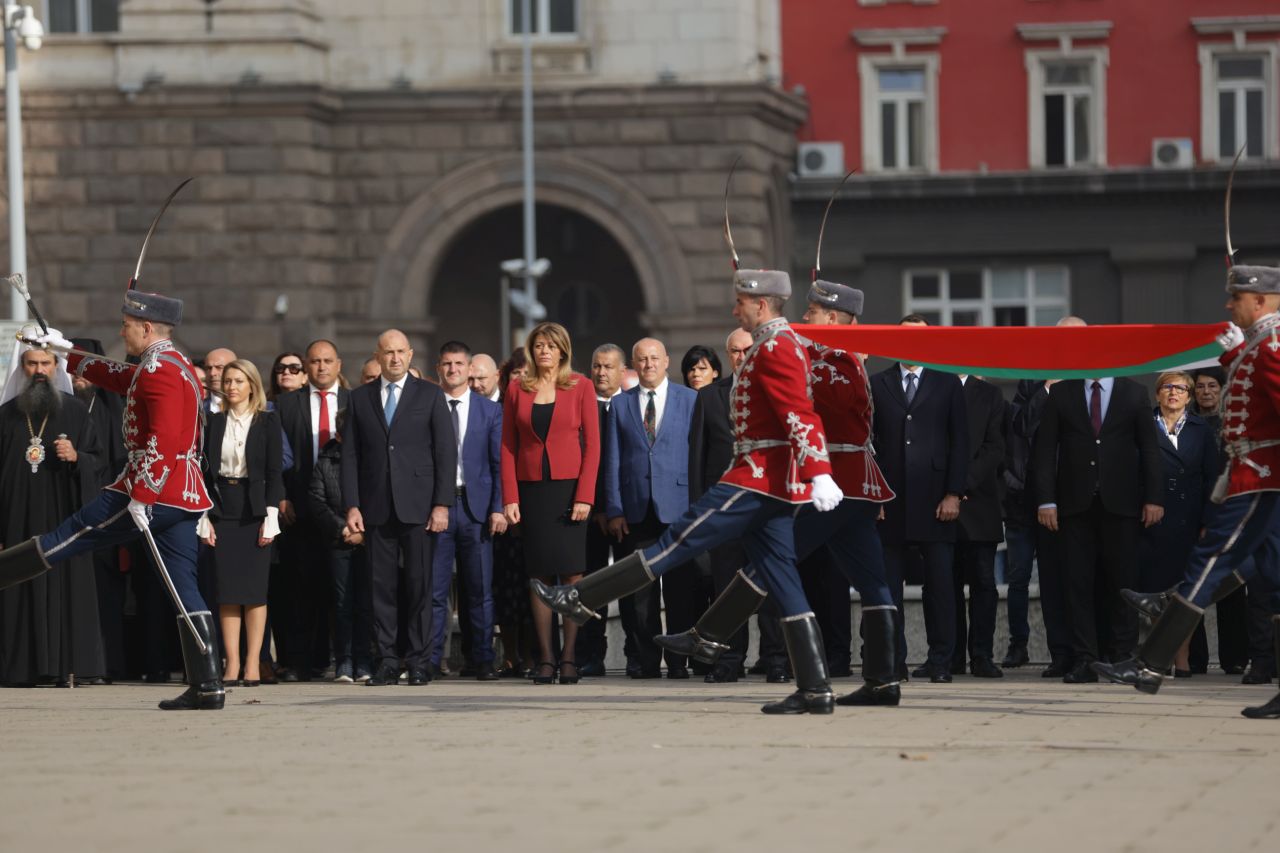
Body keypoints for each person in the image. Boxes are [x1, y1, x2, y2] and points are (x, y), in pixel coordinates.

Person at [533, 267, 846, 715]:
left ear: (760, 305)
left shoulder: (776, 346)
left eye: (740, 302)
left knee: (678, 540)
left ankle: (579, 598)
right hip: (772, 481)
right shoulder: (775, 343)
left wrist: (819, 470)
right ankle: (815, 688)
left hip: (757, 477)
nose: (734, 308)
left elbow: (799, 411)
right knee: (783, 580)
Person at [659, 279, 901, 706]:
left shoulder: (828, 361)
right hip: (855, 484)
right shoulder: (843, 359)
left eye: (810, 313)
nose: (803, 318)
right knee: (871, 581)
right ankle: (882, 680)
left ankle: (711, 637)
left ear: (830, 318)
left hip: (834, 482)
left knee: (773, 564)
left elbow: (801, 409)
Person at [0, 290, 222, 710]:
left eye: (125, 325)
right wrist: (68, 354)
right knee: (182, 585)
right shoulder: (167, 364)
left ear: (146, 327)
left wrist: (142, 495)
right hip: (182, 494)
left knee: (73, 534)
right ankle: (208, 684)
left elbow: (165, 439)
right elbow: (119, 376)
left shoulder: (159, 370)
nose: (121, 331)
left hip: (151, 490)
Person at [1095, 263, 1280, 718]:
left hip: (1262, 474)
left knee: (1213, 558)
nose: (1228, 305)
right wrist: (1236, 356)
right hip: (1259, 473)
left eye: (1236, 298)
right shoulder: (1260, 344)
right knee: (1273, 582)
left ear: (1259, 301)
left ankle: (1150, 664)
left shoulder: (1272, 344)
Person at [1032, 352, 1163, 683]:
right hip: (1074, 506)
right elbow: (1045, 450)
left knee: (1122, 583)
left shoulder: (1133, 392)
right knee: (1077, 584)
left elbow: (1149, 448)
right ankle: (1085, 659)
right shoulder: (1063, 392)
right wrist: (1046, 500)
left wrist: (1154, 497)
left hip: (1122, 504)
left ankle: (1121, 656)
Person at [342, 330, 456, 687]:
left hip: (419, 507)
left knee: (420, 585)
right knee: (382, 588)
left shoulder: (430, 394)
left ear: (410, 355)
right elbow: (350, 456)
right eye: (387, 353)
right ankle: (388, 660)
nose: (394, 359)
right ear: (377, 355)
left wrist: (441, 504)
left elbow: (445, 452)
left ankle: (421, 661)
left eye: (400, 352)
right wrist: (352, 505)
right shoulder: (360, 398)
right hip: (375, 506)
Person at [0, 341, 106, 687]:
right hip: (17, 517)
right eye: (32, 364)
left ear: (55, 367)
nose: (40, 371)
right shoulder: (5, 414)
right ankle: (21, 668)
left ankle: (67, 667)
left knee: (64, 585)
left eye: (46, 363)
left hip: (63, 515)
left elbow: (100, 462)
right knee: (20, 585)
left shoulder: (75, 412)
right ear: (22, 367)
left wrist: (78, 458)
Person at [870, 315, 969, 683]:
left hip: (936, 502)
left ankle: (941, 661)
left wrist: (954, 493)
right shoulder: (878, 383)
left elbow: (961, 442)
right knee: (888, 588)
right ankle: (892, 661)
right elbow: (870, 445)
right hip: (890, 503)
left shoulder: (947, 383)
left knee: (941, 587)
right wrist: (873, 497)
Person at [501, 322, 601, 685]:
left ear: (562, 350)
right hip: (532, 492)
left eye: (550, 345)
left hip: (569, 489)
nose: (544, 350)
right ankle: (546, 658)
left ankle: (570, 657)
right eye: (539, 345)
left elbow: (592, 446)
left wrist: (585, 496)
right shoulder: (516, 388)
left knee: (573, 574)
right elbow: (508, 445)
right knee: (539, 576)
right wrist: (510, 497)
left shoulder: (581, 387)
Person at [686, 327, 787, 683]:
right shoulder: (710, 397)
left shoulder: (778, 391)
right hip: (724, 513)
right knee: (728, 590)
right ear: (727, 356)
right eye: (735, 351)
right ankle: (729, 661)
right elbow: (697, 461)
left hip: (766, 511)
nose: (742, 357)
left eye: (748, 350)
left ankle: (776, 659)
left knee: (770, 589)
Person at [602, 337, 698, 679]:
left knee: (679, 591)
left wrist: (699, 508)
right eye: (642, 360)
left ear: (667, 361)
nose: (649, 364)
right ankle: (645, 661)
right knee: (639, 595)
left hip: (680, 510)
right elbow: (611, 461)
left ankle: (677, 662)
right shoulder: (620, 405)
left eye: (655, 358)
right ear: (633, 365)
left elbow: (697, 458)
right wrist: (614, 509)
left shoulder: (690, 400)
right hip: (634, 512)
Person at [197, 360, 283, 687]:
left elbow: (275, 472)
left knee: (255, 592)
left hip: (256, 509)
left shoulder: (268, 422)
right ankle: (230, 663)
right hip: (223, 507)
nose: (231, 386)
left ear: (252, 385)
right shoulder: (214, 422)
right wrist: (204, 516)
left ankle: (252, 663)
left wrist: (271, 517)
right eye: (228, 381)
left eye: (239, 381)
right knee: (227, 591)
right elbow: (203, 472)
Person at [1130, 371, 1219, 678]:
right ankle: (1161, 659)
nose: (1173, 393)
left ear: (1189, 396)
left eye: (1180, 389)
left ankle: (1182, 662)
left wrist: (1209, 520)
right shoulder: (1142, 425)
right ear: (1157, 394)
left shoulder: (1201, 431)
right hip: (1151, 520)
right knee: (1155, 594)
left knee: (1184, 598)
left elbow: (1212, 479)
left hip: (1189, 522)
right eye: (1167, 387)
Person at [428, 341, 505, 681]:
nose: (453, 370)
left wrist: (498, 508)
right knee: (435, 590)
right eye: (447, 364)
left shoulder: (489, 410)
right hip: (439, 509)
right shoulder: (428, 407)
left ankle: (483, 660)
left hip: (476, 510)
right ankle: (430, 661)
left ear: (469, 368)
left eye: (459, 364)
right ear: (438, 369)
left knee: (479, 590)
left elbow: (498, 464)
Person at [276, 340, 349, 680]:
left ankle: (346, 659)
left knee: (343, 590)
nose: (321, 367)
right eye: (315, 361)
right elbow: (274, 458)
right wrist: (280, 496)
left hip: (344, 512)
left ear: (339, 364)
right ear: (306, 366)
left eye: (327, 361)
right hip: (299, 508)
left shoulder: (356, 401)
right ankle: (302, 662)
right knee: (301, 588)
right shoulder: (285, 405)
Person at [1190, 366, 1251, 676]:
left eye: (1212, 386)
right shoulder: (1186, 423)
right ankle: (1196, 659)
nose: (1206, 392)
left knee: (1231, 588)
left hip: (1232, 511)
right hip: (1194, 513)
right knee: (1193, 584)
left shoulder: (1235, 424)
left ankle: (1235, 657)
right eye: (1200, 387)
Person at [308, 409, 372, 683]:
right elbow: (316, 500)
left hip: (371, 543)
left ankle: (366, 659)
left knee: (368, 603)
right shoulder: (326, 461)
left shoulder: (375, 461)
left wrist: (365, 533)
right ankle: (344, 661)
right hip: (339, 542)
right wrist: (343, 528)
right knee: (343, 603)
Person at [952, 373, 1007, 678]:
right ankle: (950, 655)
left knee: (984, 583)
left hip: (979, 501)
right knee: (945, 584)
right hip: (939, 503)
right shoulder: (935, 387)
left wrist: (960, 484)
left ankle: (982, 655)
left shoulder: (989, 393)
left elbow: (995, 447)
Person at [576, 343, 625, 677]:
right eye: (596, 366)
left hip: (626, 513)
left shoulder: (631, 406)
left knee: (630, 585)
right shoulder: (581, 408)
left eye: (608, 367)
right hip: (588, 514)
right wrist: (595, 506)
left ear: (622, 371)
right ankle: (590, 652)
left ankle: (639, 653)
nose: (601, 373)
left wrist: (615, 507)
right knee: (590, 586)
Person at [492, 349, 535, 677]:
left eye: (525, 373)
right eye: (514, 373)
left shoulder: (540, 409)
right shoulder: (494, 411)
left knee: (534, 585)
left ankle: (535, 655)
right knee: (506, 588)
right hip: (504, 511)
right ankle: (510, 656)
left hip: (536, 508)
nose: (519, 379)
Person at [203, 348, 236, 414]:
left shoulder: (251, 410)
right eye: (208, 368)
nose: (212, 373)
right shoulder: (197, 408)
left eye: (219, 367)